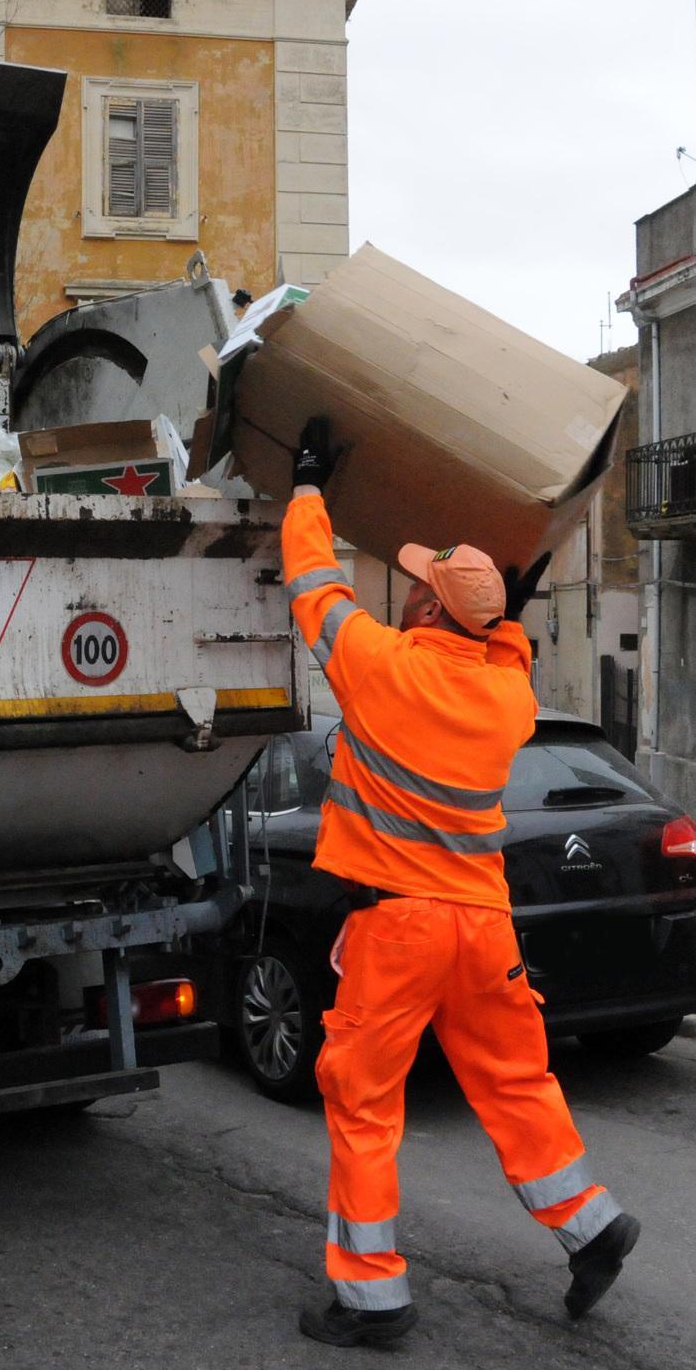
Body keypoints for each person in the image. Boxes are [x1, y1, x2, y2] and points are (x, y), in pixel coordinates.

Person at [283, 418, 640, 1349]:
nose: (403, 594)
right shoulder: (506, 699)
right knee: (517, 1082)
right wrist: (506, 618)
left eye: (416, 588)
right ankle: (590, 1224)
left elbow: (314, 589)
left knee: (363, 1103)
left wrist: (310, 488)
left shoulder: (378, 666)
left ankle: (371, 1297)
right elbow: (511, 656)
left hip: (396, 929)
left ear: (433, 614)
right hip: (483, 926)